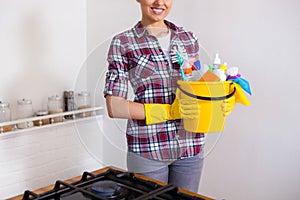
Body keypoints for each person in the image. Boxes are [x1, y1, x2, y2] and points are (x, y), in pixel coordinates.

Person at [103, 0, 234, 193]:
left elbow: (197, 87)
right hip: (148, 147)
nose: (159, 2)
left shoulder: (188, 38)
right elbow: (115, 107)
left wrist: (221, 99)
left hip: (191, 145)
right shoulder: (123, 42)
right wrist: (168, 111)